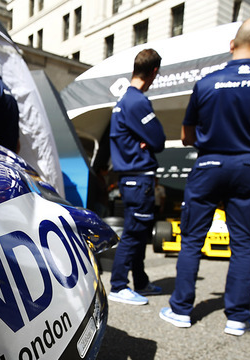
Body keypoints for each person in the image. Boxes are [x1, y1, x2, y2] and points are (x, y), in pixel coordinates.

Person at [159, 16, 250, 335]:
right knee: (243, 243)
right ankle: (238, 317)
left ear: (231, 45)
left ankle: (181, 310)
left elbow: (187, 135)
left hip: (209, 165)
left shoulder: (207, 82)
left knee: (191, 241)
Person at [107, 48, 166, 306]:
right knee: (134, 233)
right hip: (138, 177)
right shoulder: (137, 101)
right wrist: (145, 141)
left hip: (131, 177)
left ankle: (140, 281)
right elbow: (159, 140)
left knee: (139, 232)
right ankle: (119, 286)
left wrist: (143, 141)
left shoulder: (123, 102)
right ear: (154, 72)